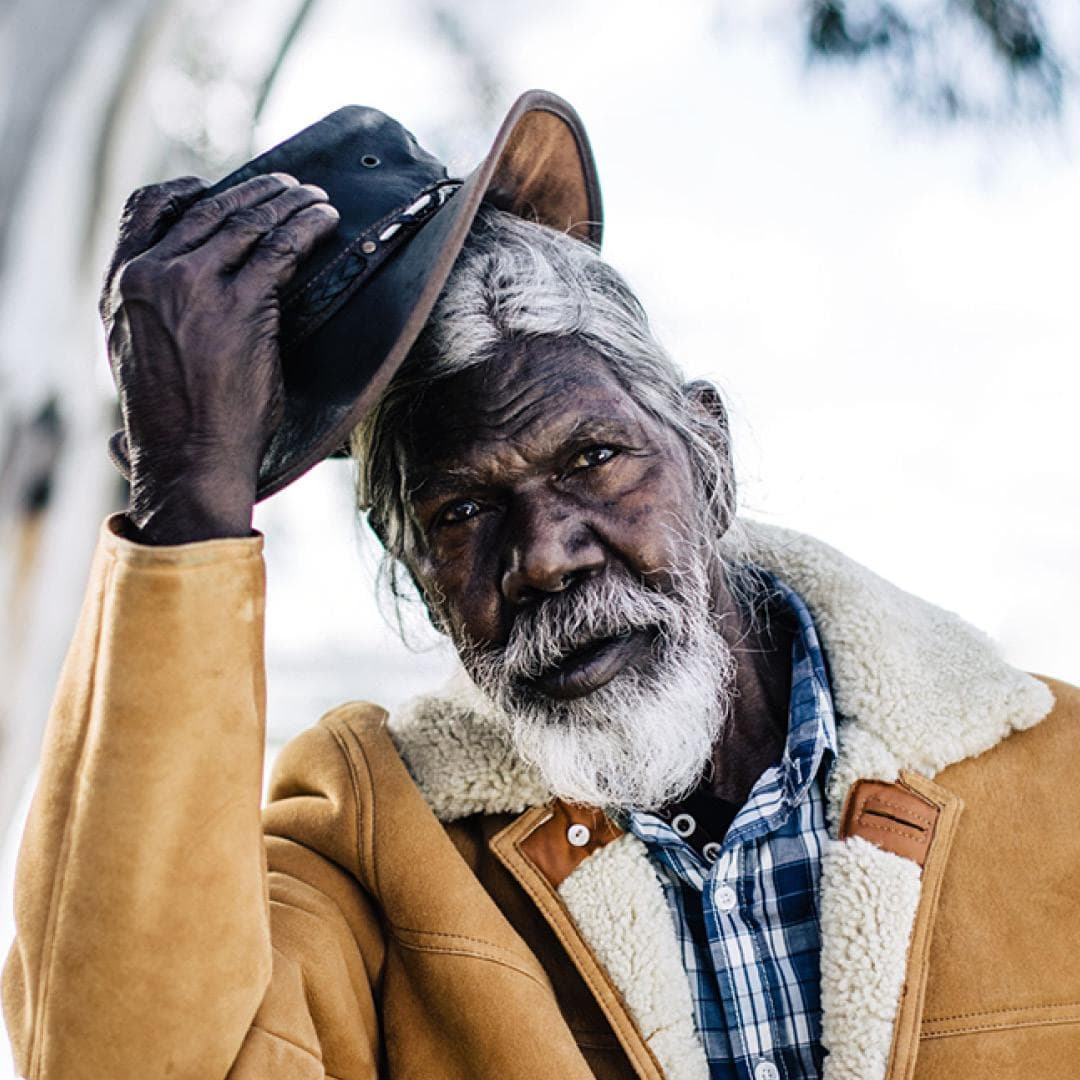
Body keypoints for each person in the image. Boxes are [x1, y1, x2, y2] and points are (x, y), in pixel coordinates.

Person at [4, 91, 1079, 1080]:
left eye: (593, 459)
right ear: (415, 576)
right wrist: (190, 497)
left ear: (708, 453)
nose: (548, 554)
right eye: (460, 513)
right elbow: (115, 1059)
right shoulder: (370, 843)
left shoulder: (1055, 777)